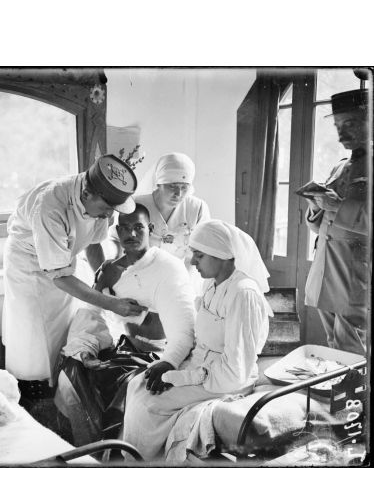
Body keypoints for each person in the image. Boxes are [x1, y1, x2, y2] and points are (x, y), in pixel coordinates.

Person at [122, 219, 271, 461]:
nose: (192, 261)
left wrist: (181, 378)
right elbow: (199, 339)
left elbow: (235, 370)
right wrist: (170, 363)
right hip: (201, 367)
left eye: (199, 256)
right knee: (135, 385)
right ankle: (132, 460)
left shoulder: (243, 294)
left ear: (221, 255)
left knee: (149, 404)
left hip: (225, 379)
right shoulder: (211, 285)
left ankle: (146, 465)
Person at [54, 203, 196, 444]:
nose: (131, 235)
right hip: (126, 346)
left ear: (150, 229)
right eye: (125, 228)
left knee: (129, 394)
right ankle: (90, 452)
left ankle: (117, 453)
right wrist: (84, 347)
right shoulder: (109, 270)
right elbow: (93, 312)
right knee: (71, 377)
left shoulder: (168, 267)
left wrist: (137, 317)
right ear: (116, 232)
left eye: (138, 228)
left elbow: (183, 330)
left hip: (160, 353)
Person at [2, 155, 147, 385]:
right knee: (34, 334)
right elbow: (59, 276)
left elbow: (93, 243)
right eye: (106, 209)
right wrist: (110, 303)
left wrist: (102, 276)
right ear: (86, 194)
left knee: (65, 323)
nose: (110, 215)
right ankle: (32, 386)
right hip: (29, 264)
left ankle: (61, 376)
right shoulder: (50, 206)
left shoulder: (100, 202)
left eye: (113, 210)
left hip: (63, 260)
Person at [303, 89, 369, 355]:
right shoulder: (339, 167)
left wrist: (338, 206)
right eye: (338, 126)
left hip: (355, 273)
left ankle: (355, 397)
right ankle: (341, 393)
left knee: (352, 347)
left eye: (350, 124)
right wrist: (315, 208)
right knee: (334, 346)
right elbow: (322, 226)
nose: (341, 134)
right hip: (327, 268)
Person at [109, 152, 211, 294]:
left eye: (184, 187)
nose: (179, 194)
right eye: (172, 186)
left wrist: (183, 283)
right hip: (139, 276)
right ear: (159, 183)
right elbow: (116, 240)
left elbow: (199, 252)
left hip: (180, 278)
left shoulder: (197, 208)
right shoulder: (135, 205)